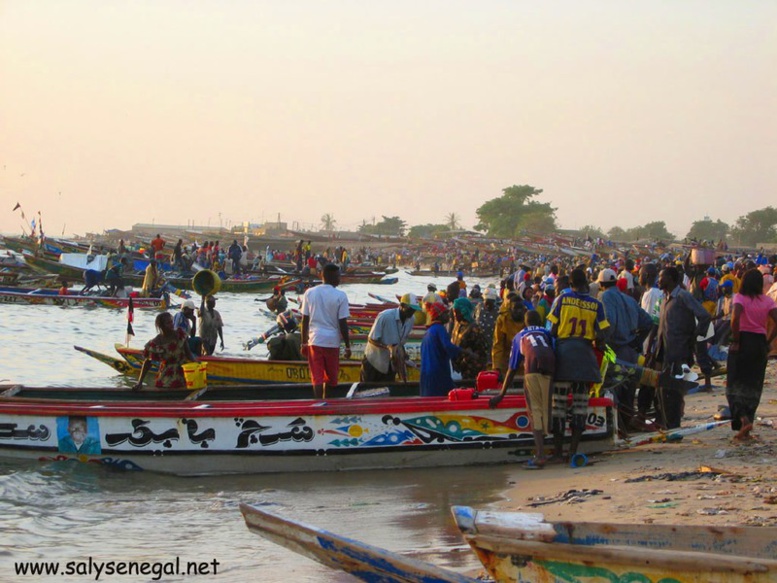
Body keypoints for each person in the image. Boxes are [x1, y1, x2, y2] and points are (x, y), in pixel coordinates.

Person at [546, 268, 609, 464]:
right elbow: (604, 333)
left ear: (570, 285)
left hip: (564, 357)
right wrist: (596, 342)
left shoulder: (562, 300)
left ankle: (558, 452)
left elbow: (553, 330)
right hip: (585, 359)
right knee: (581, 406)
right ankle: (573, 451)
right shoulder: (596, 304)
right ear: (586, 283)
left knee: (559, 407)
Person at [489, 310, 555, 468]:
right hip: (550, 369)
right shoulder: (546, 332)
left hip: (532, 369)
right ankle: (554, 450)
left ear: (525, 323)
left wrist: (501, 394)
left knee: (534, 412)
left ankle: (540, 456)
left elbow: (512, 368)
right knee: (548, 409)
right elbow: (553, 350)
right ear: (539, 321)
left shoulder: (520, 336)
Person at [653, 266, 711, 429]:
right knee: (663, 391)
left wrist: (694, 337)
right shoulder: (665, 299)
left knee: (674, 392)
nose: (659, 280)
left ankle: (674, 427)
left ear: (671, 279)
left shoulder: (683, 296)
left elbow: (704, 316)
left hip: (679, 352)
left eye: (661, 277)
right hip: (665, 353)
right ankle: (667, 425)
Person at [598, 268, 653, 433]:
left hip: (615, 350)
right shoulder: (628, 299)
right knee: (629, 389)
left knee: (614, 387)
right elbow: (648, 322)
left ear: (601, 284)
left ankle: (619, 427)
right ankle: (627, 424)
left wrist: (602, 343)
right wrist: (638, 341)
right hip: (631, 350)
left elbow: (610, 323)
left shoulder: (605, 296)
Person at [726, 268, 777, 440]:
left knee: (734, 382)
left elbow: (735, 319)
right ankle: (747, 424)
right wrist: (768, 341)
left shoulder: (740, 298)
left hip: (743, 342)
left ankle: (743, 419)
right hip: (759, 344)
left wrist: (736, 339)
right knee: (754, 384)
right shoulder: (767, 301)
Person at [300, 263, 351, 399]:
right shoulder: (341, 296)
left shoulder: (309, 293)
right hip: (332, 342)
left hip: (315, 340)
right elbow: (343, 323)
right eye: (338, 276)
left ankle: (318, 404)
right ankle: (327, 403)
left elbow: (304, 320)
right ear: (332, 277)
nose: (340, 279)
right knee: (331, 378)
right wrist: (347, 346)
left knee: (317, 377)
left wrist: (303, 343)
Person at [360, 293, 421, 382]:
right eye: (411, 309)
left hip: (390, 364)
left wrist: (403, 354)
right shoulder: (385, 316)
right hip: (373, 361)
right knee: (367, 390)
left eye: (414, 310)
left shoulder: (411, 319)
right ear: (402, 305)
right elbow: (371, 339)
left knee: (388, 390)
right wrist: (388, 347)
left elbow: (401, 342)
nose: (412, 312)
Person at [132, 311, 196, 390]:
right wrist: (139, 382)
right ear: (161, 326)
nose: (171, 325)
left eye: (171, 322)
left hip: (183, 375)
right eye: (168, 323)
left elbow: (189, 353)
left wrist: (197, 366)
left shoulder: (180, 334)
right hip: (166, 379)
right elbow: (147, 363)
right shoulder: (156, 343)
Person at [420, 301, 468, 396]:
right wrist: (465, 352)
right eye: (445, 314)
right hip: (438, 373)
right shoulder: (440, 329)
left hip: (426, 374)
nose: (448, 316)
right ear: (439, 315)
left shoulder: (428, 332)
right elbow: (448, 346)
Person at [450, 297, 488, 380]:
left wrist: (467, 358)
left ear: (464, 311)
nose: (455, 315)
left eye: (457, 312)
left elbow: (482, 351)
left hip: (471, 370)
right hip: (458, 369)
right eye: (454, 312)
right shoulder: (458, 325)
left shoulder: (474, 328)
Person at [491, 294, 526, 376]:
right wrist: (497, 367)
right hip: (507, 361)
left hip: (525, 361)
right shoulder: (503, 320)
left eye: (521, 308)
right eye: (515, 309)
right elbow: (498, 344)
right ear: (510, 309)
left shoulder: (528, 318)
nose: (519, 311)